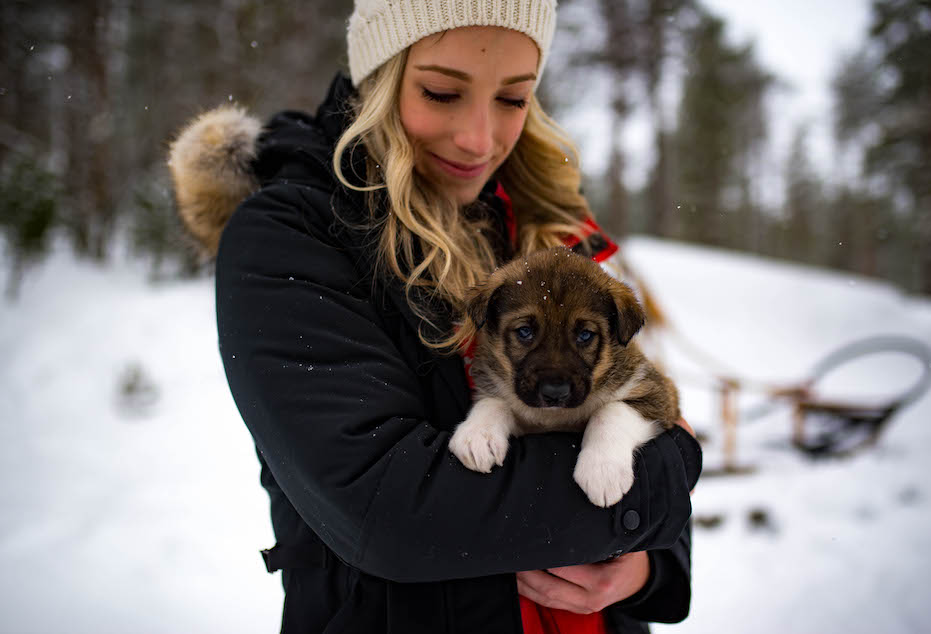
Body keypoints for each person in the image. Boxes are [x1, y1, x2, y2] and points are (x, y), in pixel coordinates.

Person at [169, 1, 702, 632]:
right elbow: (390, 514)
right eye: (442, 91)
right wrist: (663, 480)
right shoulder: (291, 236)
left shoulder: (546, 222)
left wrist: (645, 567)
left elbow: (636, 417)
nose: (480, 138)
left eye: (513, 98)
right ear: (381, 78)